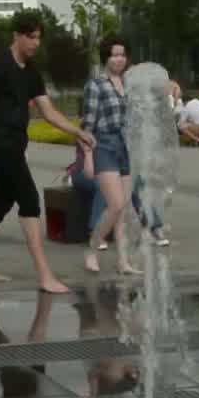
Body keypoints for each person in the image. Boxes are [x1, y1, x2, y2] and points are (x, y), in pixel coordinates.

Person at [0, 9, 93, 292]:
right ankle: (45, 276)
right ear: (17, 36)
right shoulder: (0, 66)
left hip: (15, 143)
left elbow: (48, 111)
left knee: (0, 203)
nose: (36, 43)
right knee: (30, 201)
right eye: (31, 37)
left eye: (38, 38)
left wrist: (77, 132)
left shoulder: (31, 72)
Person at [81, 35, 138, 274]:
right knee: (115, 204)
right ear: (106, 57)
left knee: (123, 210)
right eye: (114, 55)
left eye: (122, 55)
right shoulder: (96, 85)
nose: (119, 59)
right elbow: (87, 125)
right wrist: (88, 158)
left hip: (126, 147)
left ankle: (123, 262)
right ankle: (92, 250)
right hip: (104, 145)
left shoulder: (128, 83)